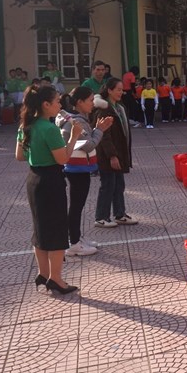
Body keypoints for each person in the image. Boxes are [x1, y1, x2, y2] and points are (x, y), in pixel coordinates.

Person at [16, 85, 82, 294]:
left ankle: (43, 273)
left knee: (41, 229)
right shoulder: (49, 128)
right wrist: (73, 137)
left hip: (34, 179)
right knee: (56, 231)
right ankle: (56, 278)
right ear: (46, 105)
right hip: (50, 181)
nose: (60, 105)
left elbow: (19, 156)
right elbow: (62, 159)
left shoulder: (26, 125)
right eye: (57, 101)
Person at [57, 86, 113, 257]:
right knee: (76, 205)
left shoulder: (78, 119)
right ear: (80, 102)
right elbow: (89, 145)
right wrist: (100, 130)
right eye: (90, 100)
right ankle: (73, 243)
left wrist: (96, 129)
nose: (93, 103)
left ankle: (76, 238)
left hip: (78, 167)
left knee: (77, 205)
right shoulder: (77, 121)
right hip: (76, 168)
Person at [92, 78, 138, 227]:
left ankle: (120, 214)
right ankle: (101, 217)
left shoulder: (118, 107)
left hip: (119, 153)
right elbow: (104, 135)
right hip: (108, 155)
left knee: (118, 185)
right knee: (108, 185)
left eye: (122, 89)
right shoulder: (104, 109)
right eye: (118, 89)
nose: (121, 92)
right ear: (109, 90)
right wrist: (112, 155)